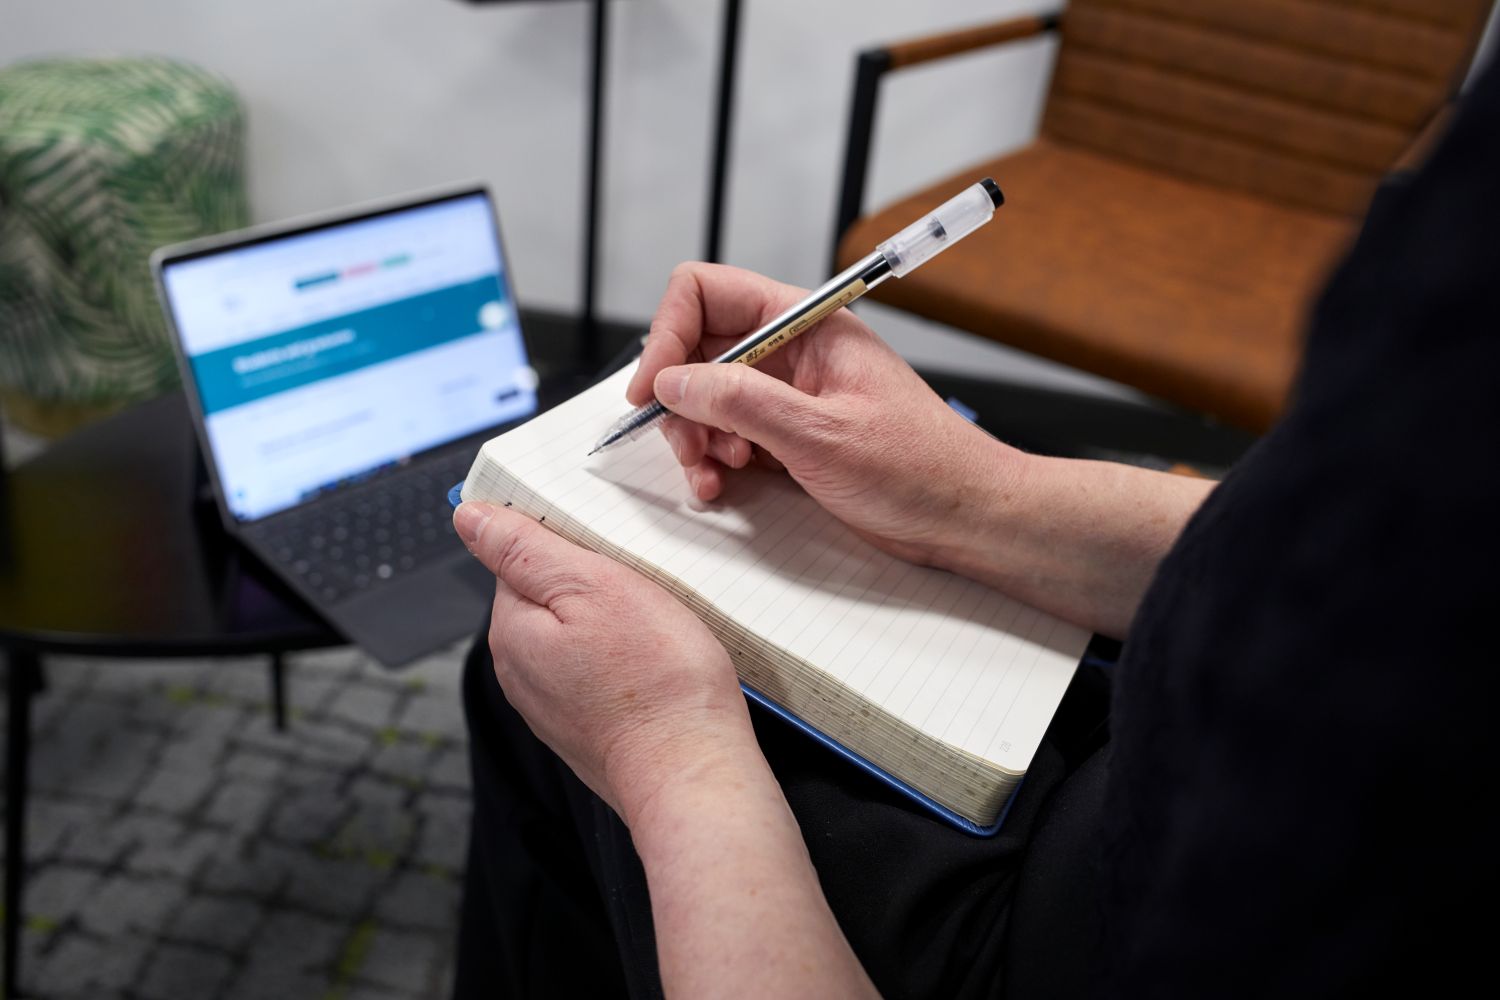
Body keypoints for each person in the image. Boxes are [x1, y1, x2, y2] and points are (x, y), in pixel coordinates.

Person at [450, 59, 1500, 999]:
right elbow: (1326, 556)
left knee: (539, 697)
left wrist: (669, 756)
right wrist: (974, 494)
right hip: (1160, 736)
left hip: (1075, 929)